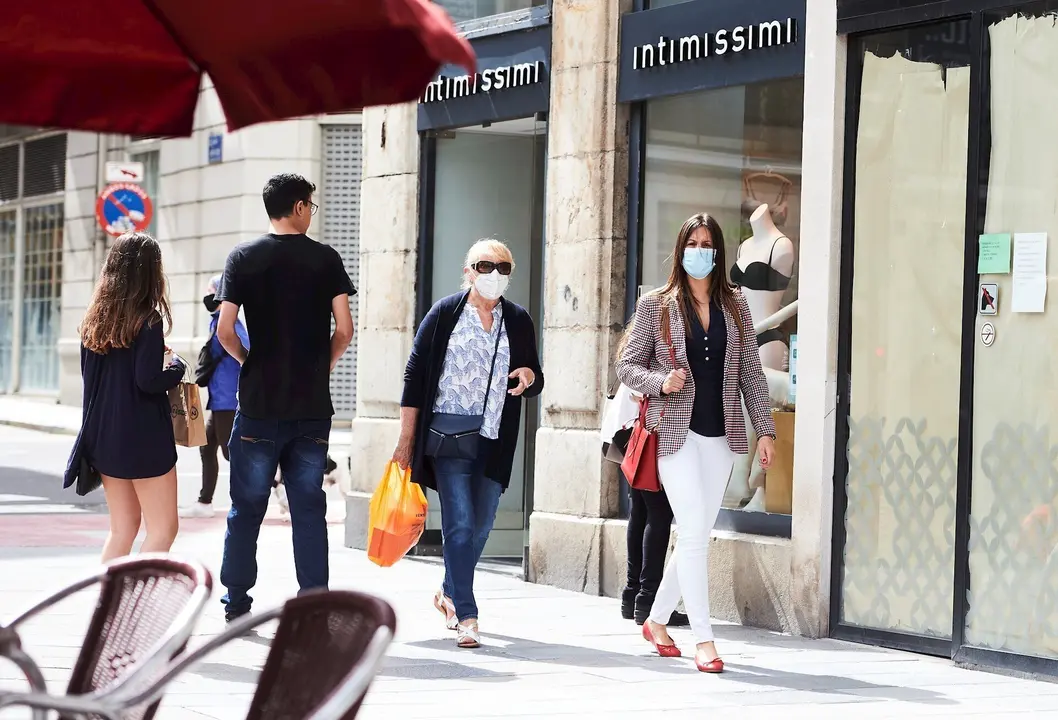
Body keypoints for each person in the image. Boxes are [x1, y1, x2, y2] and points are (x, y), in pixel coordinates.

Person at [616, 213, 776, 673]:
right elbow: (627, 368)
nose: (700, 251)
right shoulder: (656, 305)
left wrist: (765, 429)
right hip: (674, 435)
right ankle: (704, 639)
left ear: (718, 251)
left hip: (722, 436)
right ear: (681, 248)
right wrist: (661, 381)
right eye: (693, 242)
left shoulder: (736, 306)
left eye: (708, 244)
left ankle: (657, 619)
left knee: (696, 535)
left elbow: (751, 373)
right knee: (691, 531)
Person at [215, 173, 355, 622]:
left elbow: (224, 330)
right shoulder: (326, 259)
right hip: (311, 408)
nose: (311, 214)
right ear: (298, 207)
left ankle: (236, 603)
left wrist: (250, 362)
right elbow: (345, 330)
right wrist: (323, 366)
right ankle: (313, 602)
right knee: (309, 506)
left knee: (246, 507)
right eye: (310, 206)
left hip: (258, 405)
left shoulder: (243, 257)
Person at [393, 239, 544, 649]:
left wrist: (528, 375)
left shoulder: (518, 319)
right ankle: (467, 614)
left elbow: (535, 375)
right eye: (485, 265)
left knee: (480, 526)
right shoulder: (445, 313)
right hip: (448, 437)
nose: (494, 274)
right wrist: (406, 439)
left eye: (503, 268)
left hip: (495, 437)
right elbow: (414, 373)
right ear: (468, 271)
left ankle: (447, 591)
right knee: (459, 523)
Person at [73, 232, 186, 562]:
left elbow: (91, 379)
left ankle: (106, 603)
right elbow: (148, 381)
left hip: (102, 436)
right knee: (164, 529)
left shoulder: (93, 321)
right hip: (143, 438)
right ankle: (131, 601)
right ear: (150, 271)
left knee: (122, 530)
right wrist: (175, 367)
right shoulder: (148, 319)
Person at [180, 275, 250, 519]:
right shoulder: (218, 321)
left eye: (211, 293)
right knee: (207, 447)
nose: (208, 298)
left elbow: (246, 352)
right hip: (220, 397)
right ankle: (204, 502)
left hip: (229, 399)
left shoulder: (229, 323)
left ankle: (276, 484)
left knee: (232, 452)